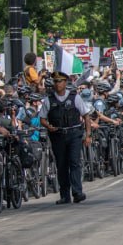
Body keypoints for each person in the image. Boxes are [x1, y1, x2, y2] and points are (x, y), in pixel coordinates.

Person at [42, 70, 92, 204]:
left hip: (74, 134)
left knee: (74, 162)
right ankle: (65, 195)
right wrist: (48, 126)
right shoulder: (49, 100)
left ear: (65, 83)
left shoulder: (75, 97)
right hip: (58, 135)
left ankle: (77, 192)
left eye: (60, 81)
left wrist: (88, 135)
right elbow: (42, 118)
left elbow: (86, 116)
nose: (57, 84)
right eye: (55, 81)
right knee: (62, 165)